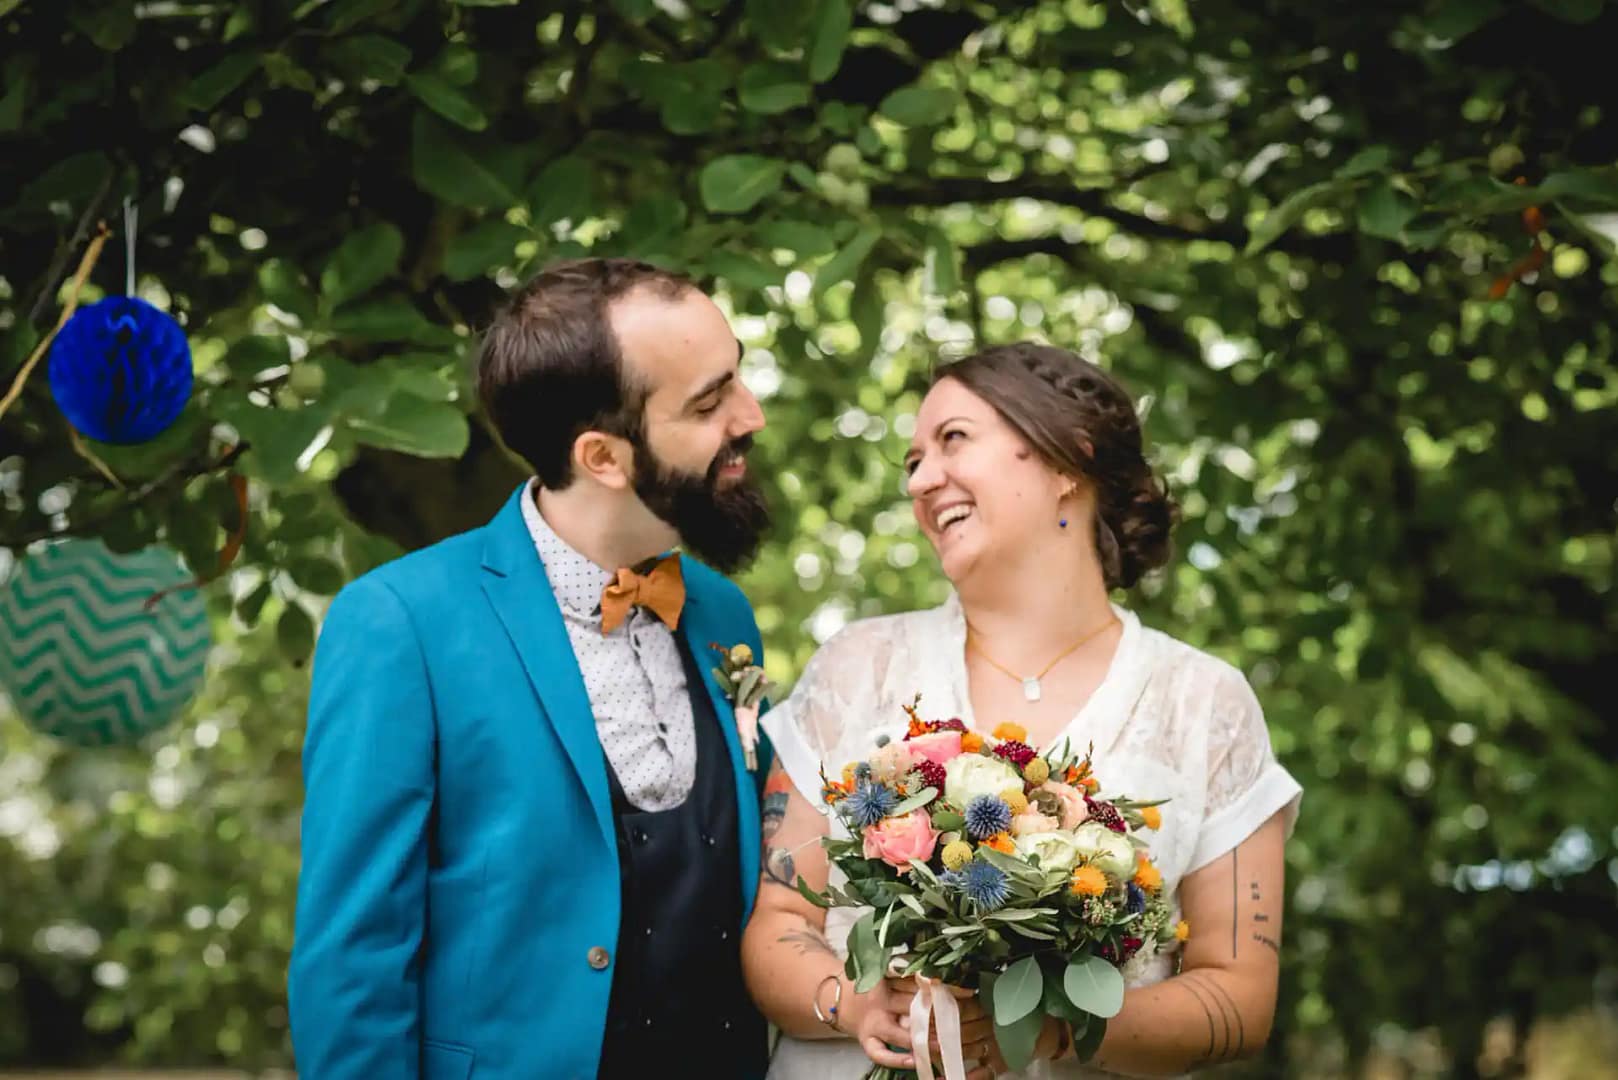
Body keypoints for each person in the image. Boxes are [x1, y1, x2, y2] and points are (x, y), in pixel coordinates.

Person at [743, 342, 1303, 1078]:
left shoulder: (1204, 704)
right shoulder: (858, 667)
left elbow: (1238, 998)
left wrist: (1054, 1028)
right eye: (913, 461)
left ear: (1069, 458)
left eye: (953, 440)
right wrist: (857, 1004)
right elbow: (779, 924)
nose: (921, 480)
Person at [289, 258, 776, 1079]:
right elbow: (352, 961)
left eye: (738, 379)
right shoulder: (400, 624)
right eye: (708, 401)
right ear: (603, 456)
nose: (751, 415)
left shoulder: (724, 613)